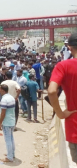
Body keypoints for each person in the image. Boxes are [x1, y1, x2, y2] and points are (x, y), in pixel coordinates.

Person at [48, 33, 77, 164]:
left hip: (74, 126)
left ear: (69, 48)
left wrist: (59, 113)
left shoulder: (63, 66)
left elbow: (52, 91)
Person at [0, 84, 16, 163]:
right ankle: (12, 154)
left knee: (8, 139)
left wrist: (0, 123)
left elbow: (3, 113)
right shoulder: (11, 97)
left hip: (7, 122)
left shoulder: (4, 99)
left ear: (2, 90)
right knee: (11, 138)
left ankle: (9, 157)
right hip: (12, 121)